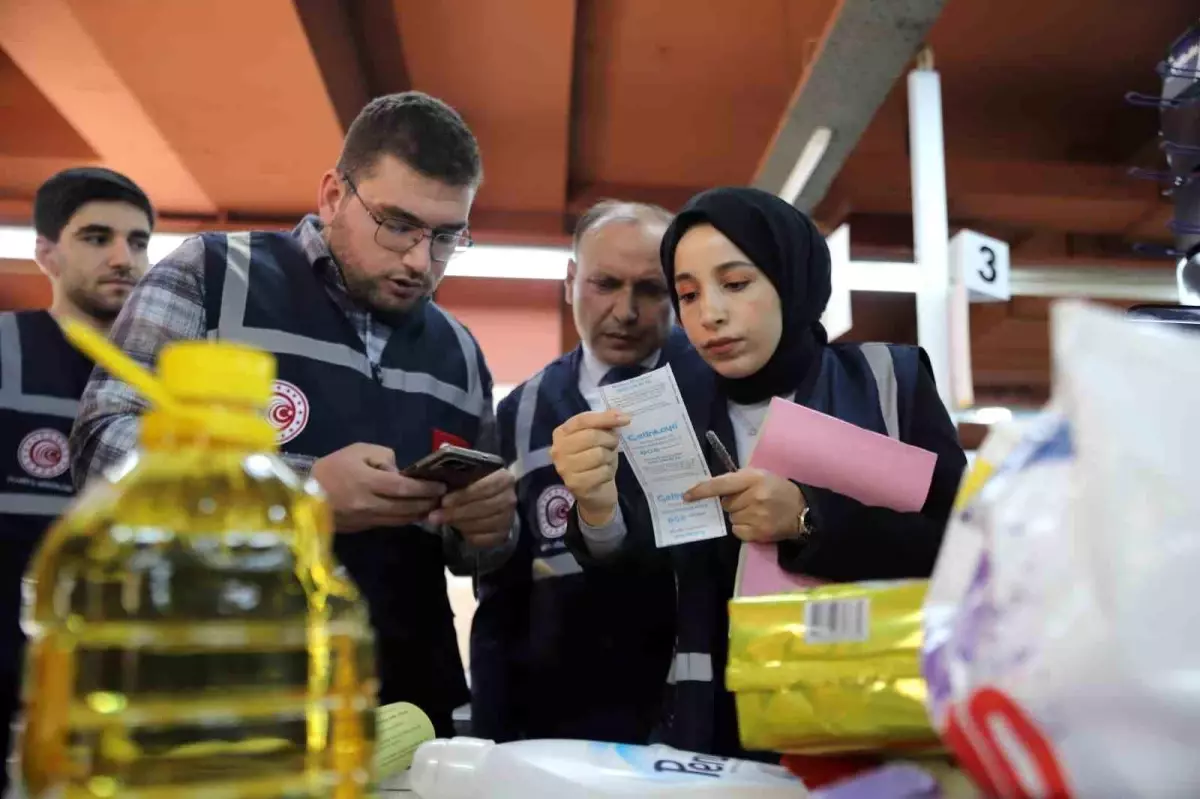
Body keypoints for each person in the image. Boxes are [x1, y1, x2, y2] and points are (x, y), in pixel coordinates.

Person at [70, 92, 518, 737]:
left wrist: (486, 528)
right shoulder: (213, 277)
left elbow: (473, 556)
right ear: (334, 195)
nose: (421, 260)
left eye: (447, 236)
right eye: (397, 224)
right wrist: (296, 493)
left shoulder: (460, 352)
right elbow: (100, 450)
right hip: (218, 701)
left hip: (405, 710)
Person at [554, 187, 966, 756]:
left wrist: (807, 519)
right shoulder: (665, 412)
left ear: (791, 278)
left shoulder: (890, 382)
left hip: (873, 722)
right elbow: (640, 602)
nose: (710, 314)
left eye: (736, 283)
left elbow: (964, 551)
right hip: (708, 738)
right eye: (688, 294)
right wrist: (598, 511)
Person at [470, 201, 710, 743]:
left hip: (694, 723)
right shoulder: (520, 412)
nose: (625, 311)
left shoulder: (716, 394)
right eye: (605, 283)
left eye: (650, 289)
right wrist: (491, 737)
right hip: (557, 728)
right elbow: (501, 597)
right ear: (571, 280)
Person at [0, 167, 154, 788]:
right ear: (46, 253)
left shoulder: (170, 383)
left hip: (128, 702)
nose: (123, 257)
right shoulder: (7, 350)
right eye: (96, 237)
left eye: (138, 241)